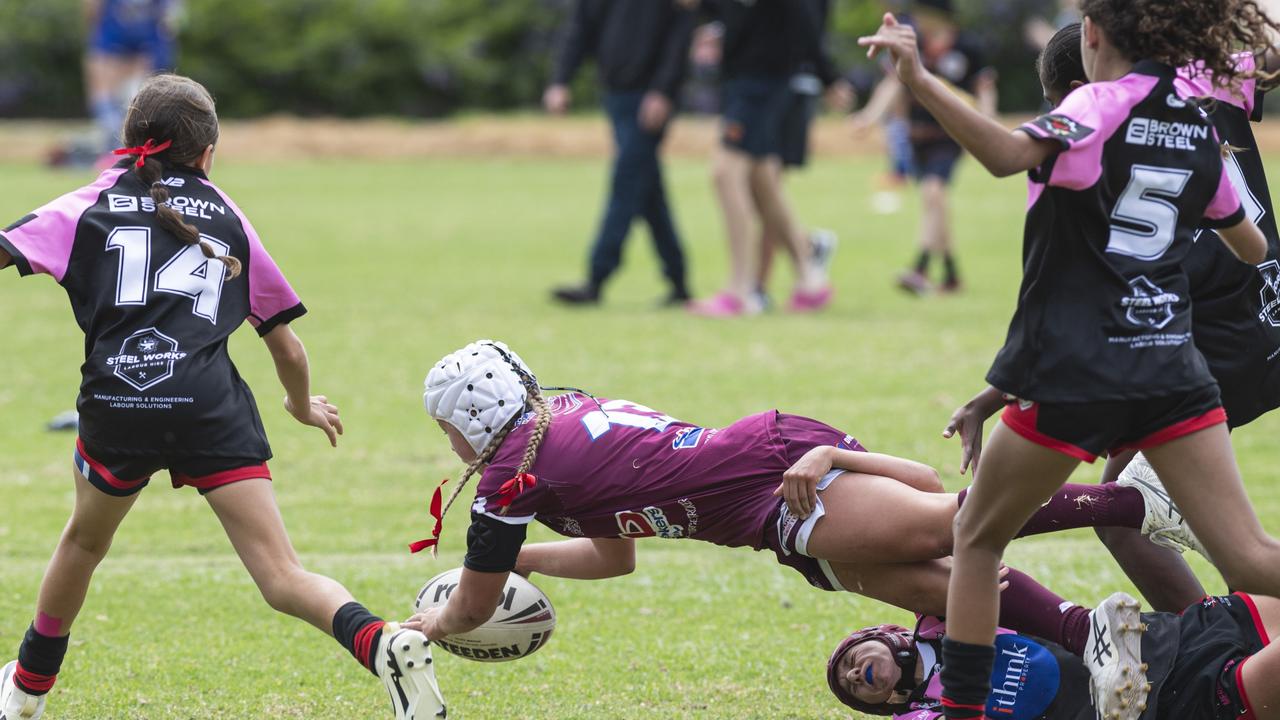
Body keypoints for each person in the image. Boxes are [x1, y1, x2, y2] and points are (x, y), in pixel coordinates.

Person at [858, 3, 1279, 719]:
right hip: (1173, 370)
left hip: (1081, 373)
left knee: (978, 538)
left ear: (1092, 36)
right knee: (1251, 559)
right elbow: (1251, 248)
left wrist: (920, 79)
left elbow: (1001, 154)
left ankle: (962, 713)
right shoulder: (1193, 121)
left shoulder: (1094, 105)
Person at [0, 75, 443, 720]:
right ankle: (382, 642)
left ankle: (26, 691)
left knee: (83, 545)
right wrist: (300, 405)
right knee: (282, 575)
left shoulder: (86, 204)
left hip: (120, 402)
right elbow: (286, 347)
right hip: (211, 406)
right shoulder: (227, 214)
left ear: (128, 145)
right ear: (209, 152)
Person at [402, 340, 1206, 666]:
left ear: (468, 420)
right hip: (762, 500)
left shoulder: (513, 476)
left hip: (770, 482)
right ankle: (1100, 643)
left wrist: (433, 620)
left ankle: (1129, 504)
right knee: (937, 584)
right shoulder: (549, 428)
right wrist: (512, 560)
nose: (449, 448)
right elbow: (616, 557)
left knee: (953, 524)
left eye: (446, 430)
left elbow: (470, 610)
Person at [945, 24, 1280, 615]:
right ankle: (1222, 654)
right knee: (1210, 535)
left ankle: (1216, 660)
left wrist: (917, 78)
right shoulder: (1202, 85)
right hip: (1264, 310)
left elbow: (1098, 296)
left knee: (1126, 512)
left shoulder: (1099, 132)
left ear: (1081, 87)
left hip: (1201, 341)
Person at [827, 590, 1278, 720]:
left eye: (849, 659)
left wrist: (830, 455)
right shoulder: (922, 715)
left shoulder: (943, 614)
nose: (850, 676)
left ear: (884, 634)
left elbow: (927, 539)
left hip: (1170, 634)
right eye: (852, 690)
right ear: (886, 703)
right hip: (1171, 703)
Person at [687, 0, 837, 316]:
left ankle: (739, 291)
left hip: (764, 82)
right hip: (742, 80)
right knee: (763, 180)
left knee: (725, 173)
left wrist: (830, 77)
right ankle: (810, 278)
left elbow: (805, 20)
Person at [544, 0, 697, 308]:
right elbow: (582, 26)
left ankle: (596, 278)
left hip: (649, 98)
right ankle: (678, 280)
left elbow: (682, 32)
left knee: (626, 182)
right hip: (617, 94)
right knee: (647, 190)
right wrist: (561, 80)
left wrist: (664, 89)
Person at [752, 0, 851, 310]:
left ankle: (759, 285)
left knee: (766, 182)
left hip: (789, 86)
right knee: (761, 185)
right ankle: (807, 248)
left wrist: (829, 77)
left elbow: (807, 27)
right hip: (774, 83)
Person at [892, 0, 997, 295]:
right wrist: (872, 117)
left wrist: (988, 128)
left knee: (933, 192)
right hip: (918, 138)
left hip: (950, 136)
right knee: (935, 203)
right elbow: (894, 85)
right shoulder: (915, 42)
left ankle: (920, 267)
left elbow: (984, 89)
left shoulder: (967, 46)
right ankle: (951, 273)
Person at [85, 0, 179, 160]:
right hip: (114, 32)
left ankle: (132, 145)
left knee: (139, 93)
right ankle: (114, 142)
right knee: (105, 90)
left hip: (147, 37)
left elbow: (169, 19)